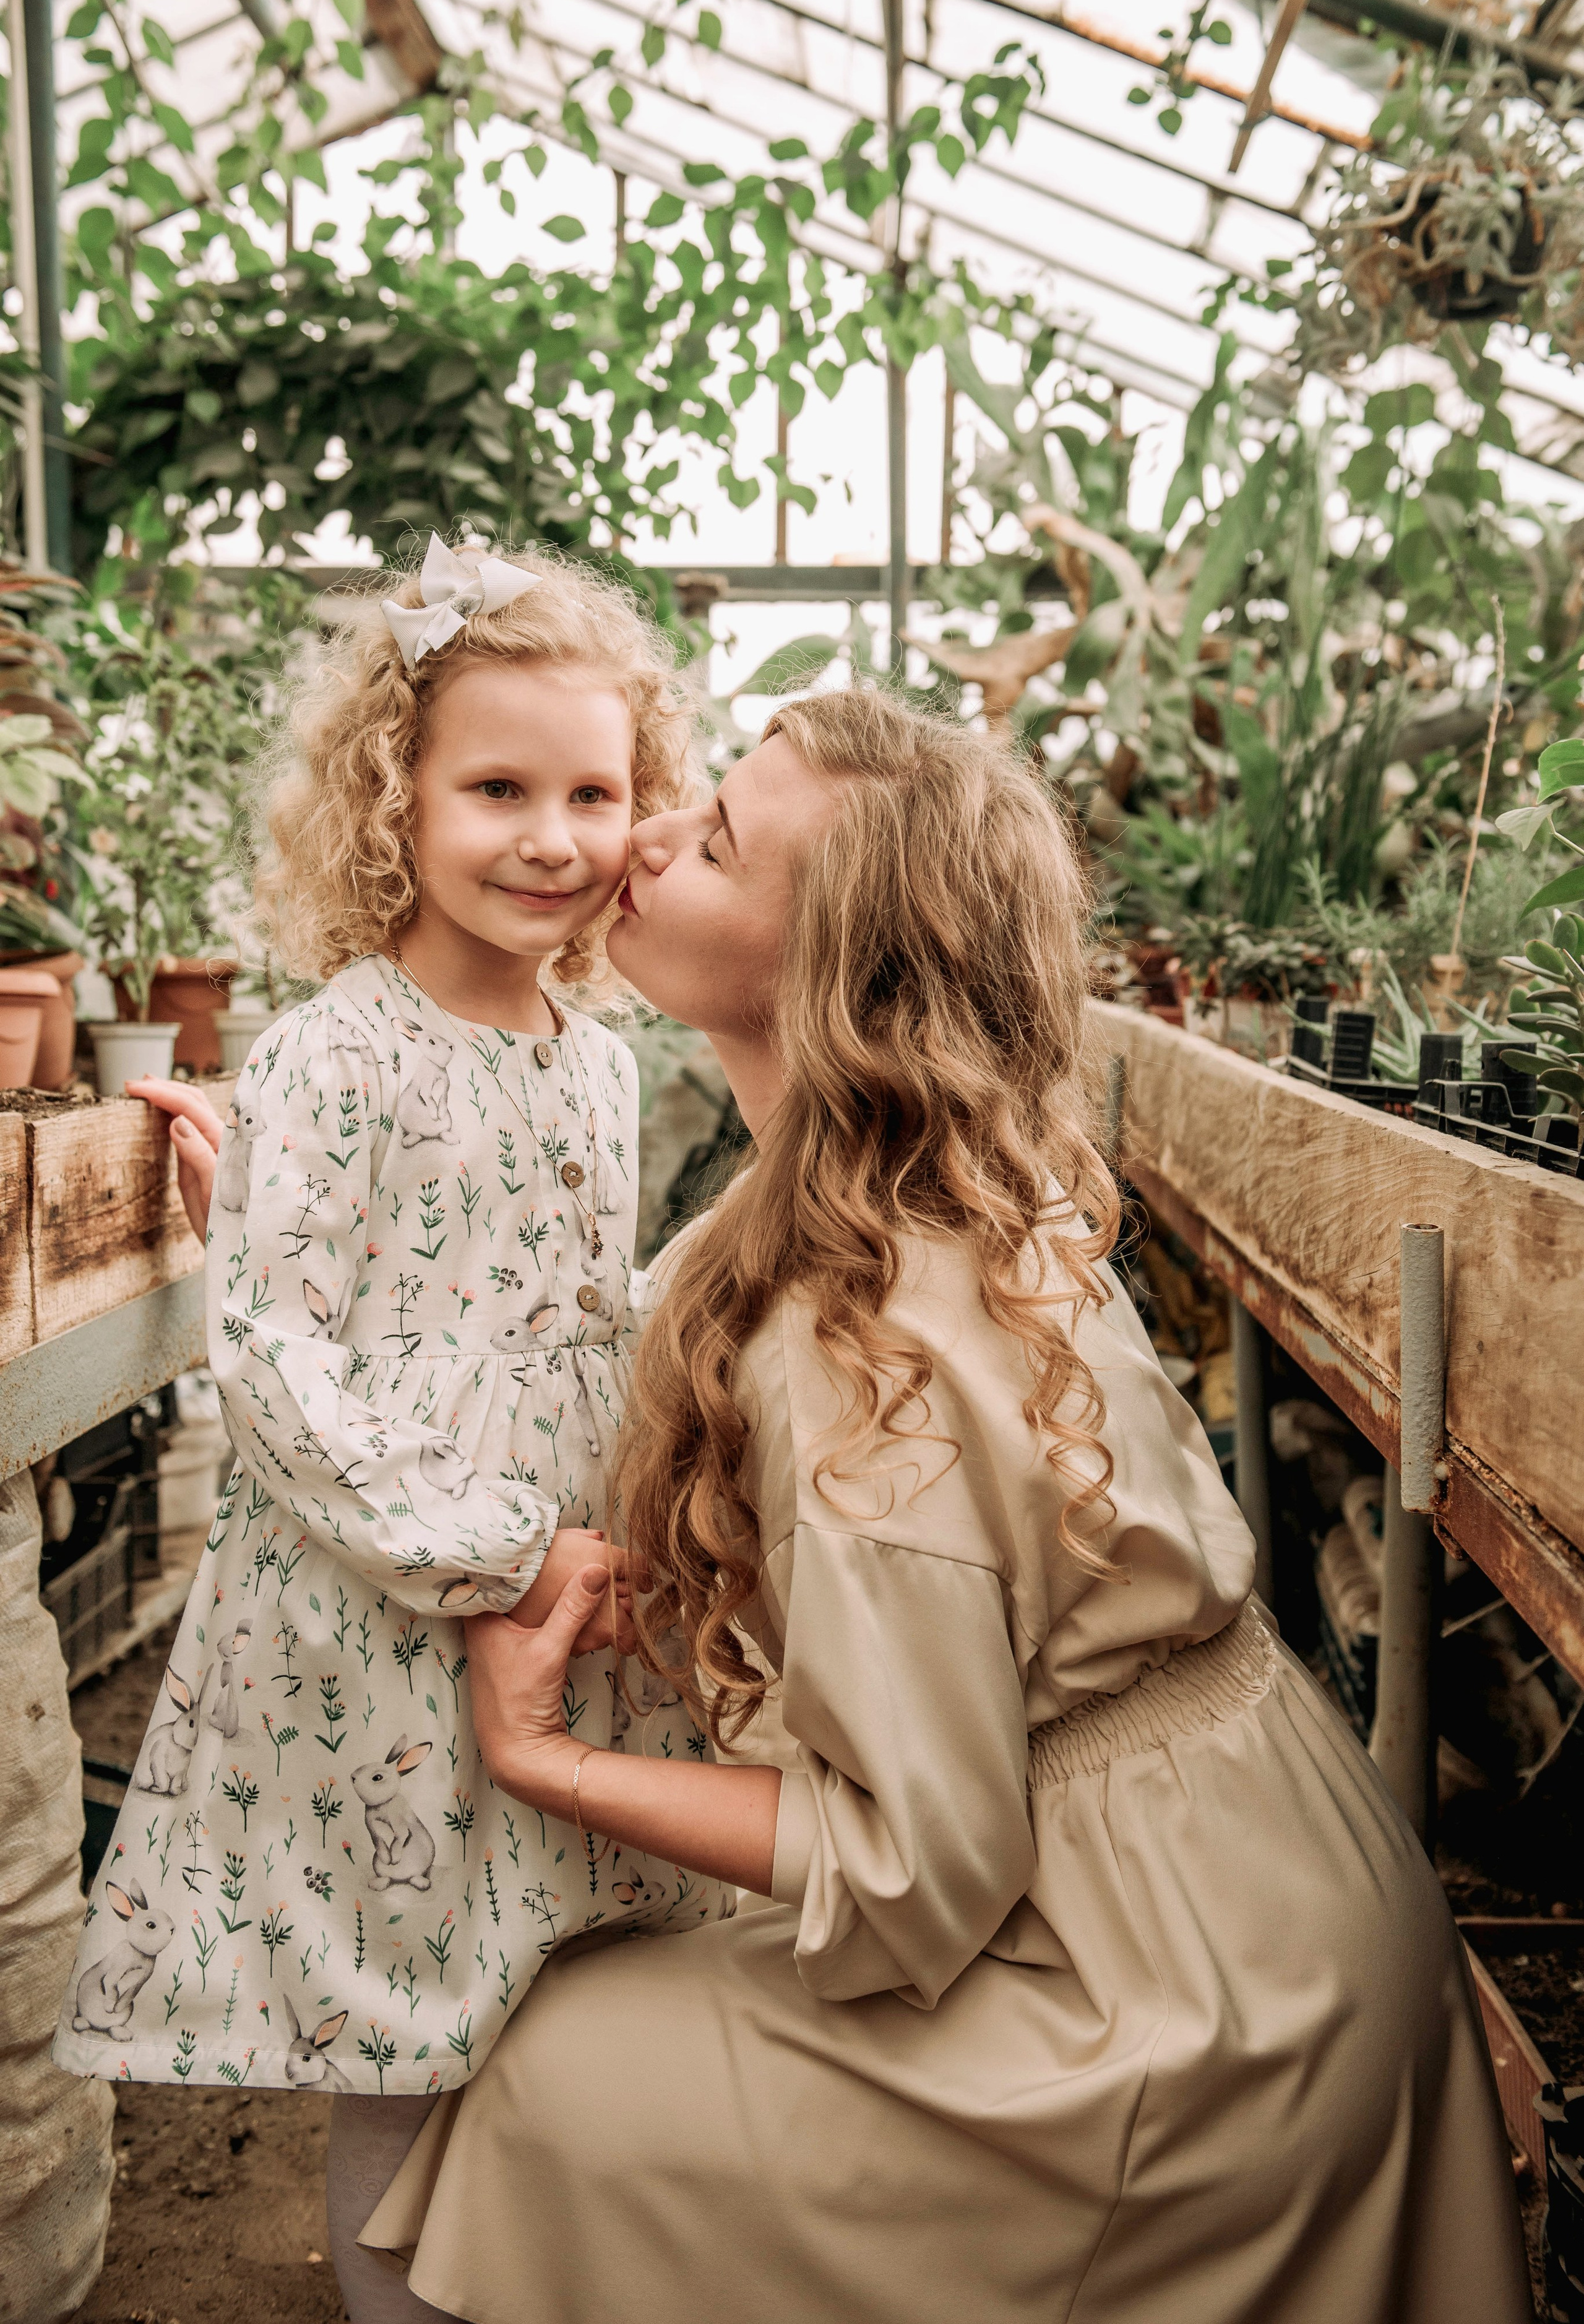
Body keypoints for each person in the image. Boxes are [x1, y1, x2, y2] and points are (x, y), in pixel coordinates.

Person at [142, 691, 1532, 2324]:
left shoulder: (852, 1342)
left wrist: (546, 1763)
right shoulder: (884, 1185)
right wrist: (305, 1239)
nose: (639, 834)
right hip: (1254, 1883)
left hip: (1175, 2015)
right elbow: (581, 1388)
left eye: (714, 838)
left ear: (833, 971)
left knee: (534, 2085)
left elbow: (910, 1868)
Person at [51, 536, 732, 2324]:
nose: (549, 835)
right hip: (396, 1611)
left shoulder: (597, 1056)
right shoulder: (331, 1056)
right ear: (392, 800)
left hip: (575, 1587)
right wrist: (494, 1550)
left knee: (548, 1981)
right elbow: (275, 1364)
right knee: (415, 2012)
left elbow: (577, 1310)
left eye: (593, 791)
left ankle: (538, 2274)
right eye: (495, 786)